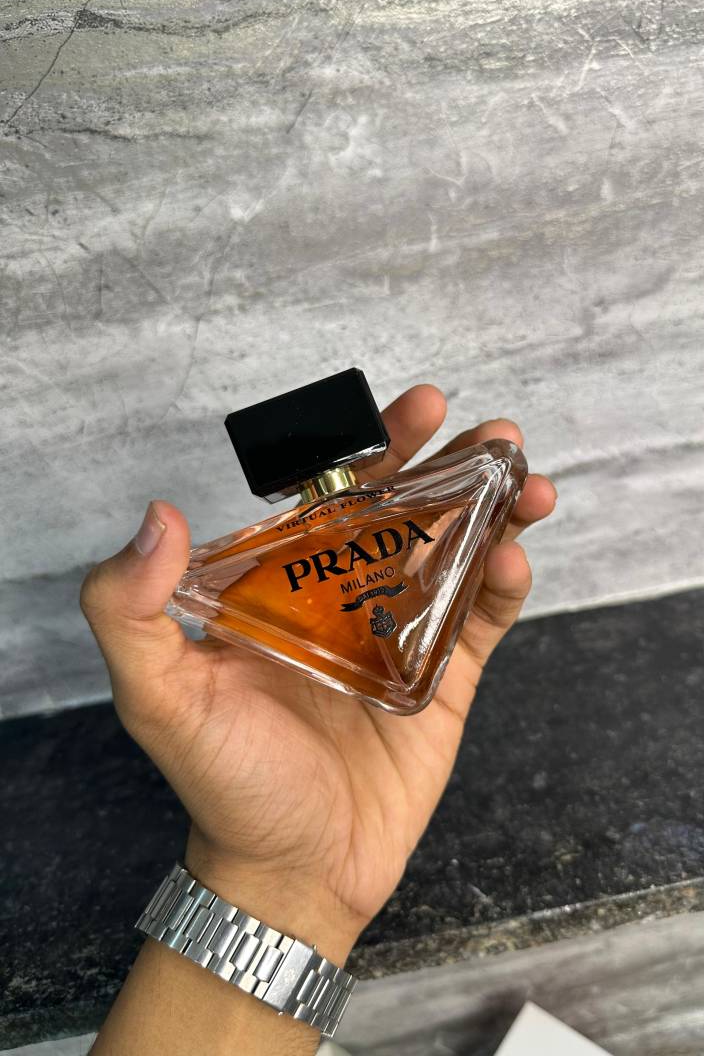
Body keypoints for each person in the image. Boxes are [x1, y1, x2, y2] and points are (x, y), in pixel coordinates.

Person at [80, 384, 557, 1055]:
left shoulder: (466, 483)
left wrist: (291, 885)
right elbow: (195, 585)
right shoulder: (222, 573)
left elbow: (492, 474)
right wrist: (287, 880)